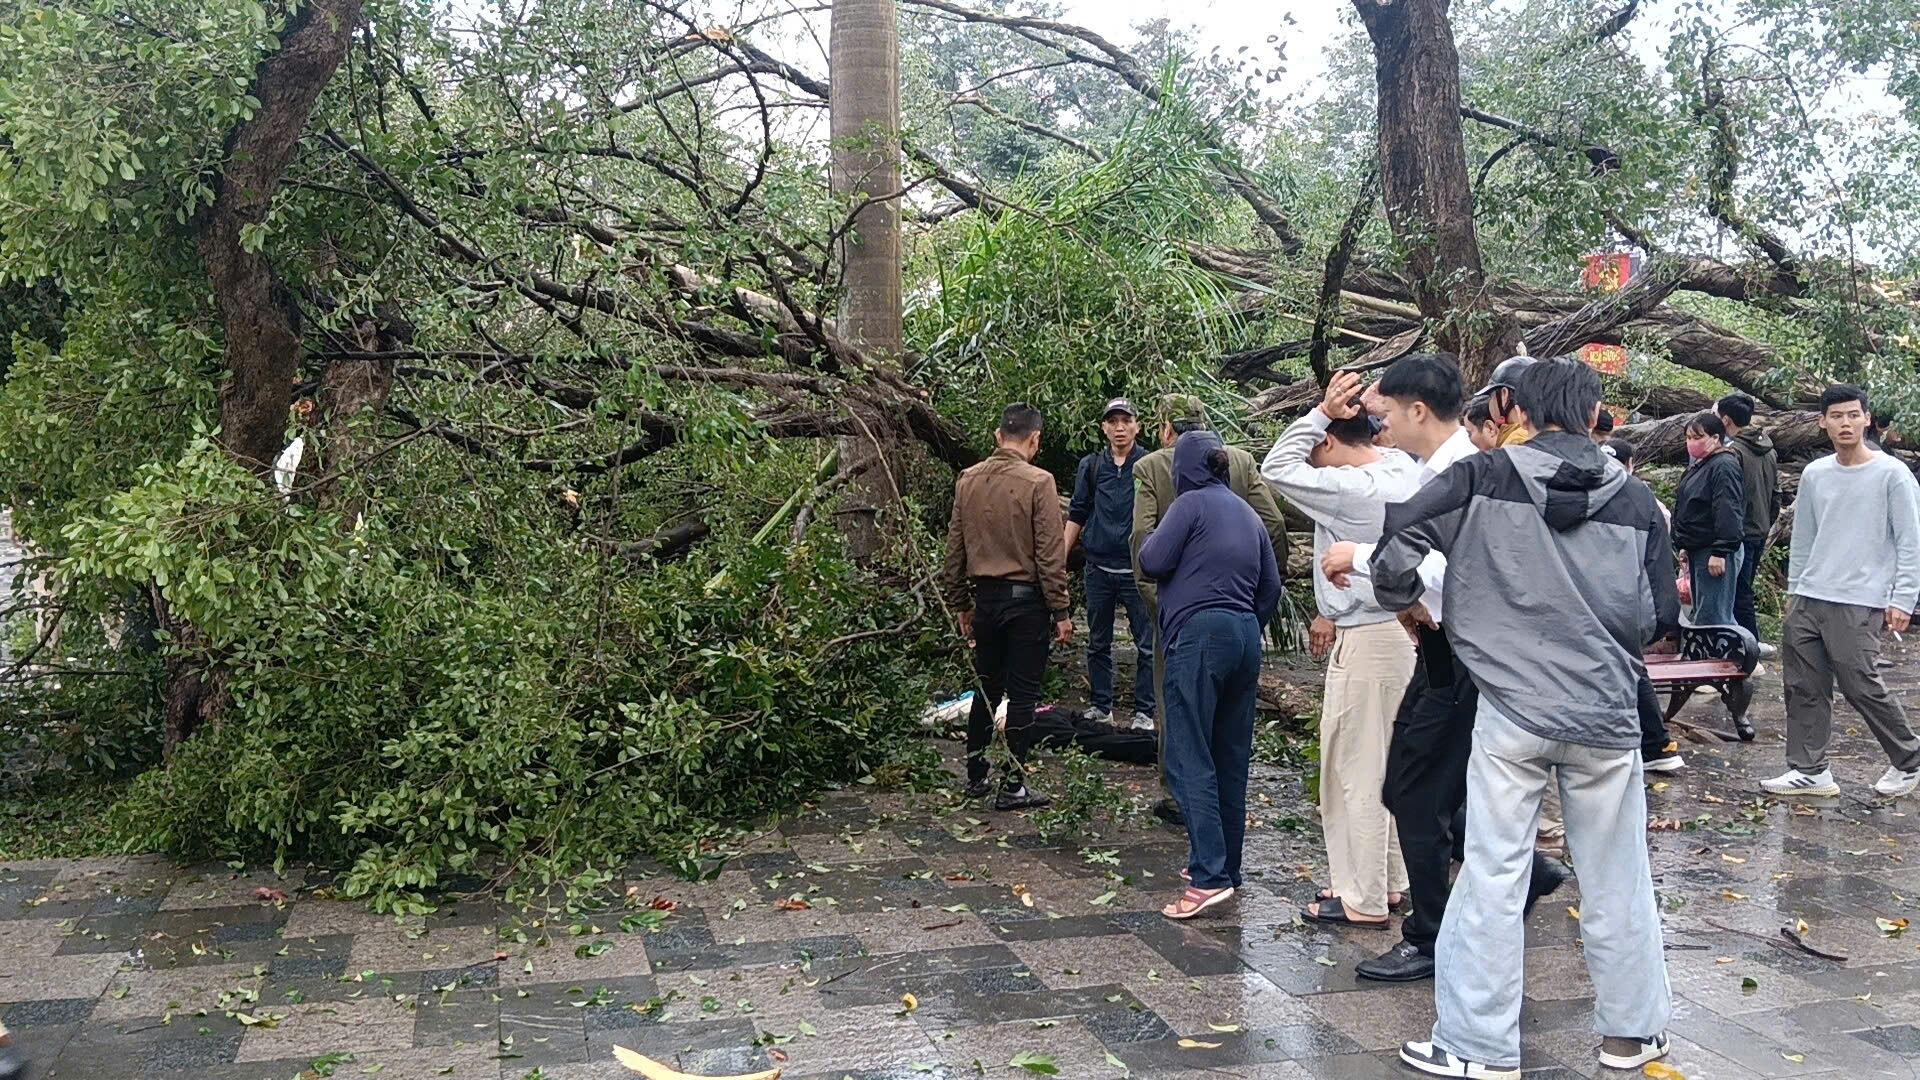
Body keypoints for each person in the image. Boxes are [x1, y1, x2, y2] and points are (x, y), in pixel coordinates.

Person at [1366, 357, 1680, 1079]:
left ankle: (1477, 1046)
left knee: (1493, 874)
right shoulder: (1636, 500)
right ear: (1595, 416)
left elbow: (1395, 551)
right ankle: (1633, 1035)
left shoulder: (1479, 477)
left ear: (1514, 410)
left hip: (1511, 711)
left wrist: (1412, 601)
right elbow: (1657, 615)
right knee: (1619, 877)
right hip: (1605, 715)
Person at [1320, 353, 1566, 983]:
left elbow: (1461, 565)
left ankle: (1430, 936)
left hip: (1467, 655)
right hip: (1441, 650)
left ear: (1419, 411)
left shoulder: (1469, 473)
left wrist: (1363, 558)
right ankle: (1526, 875)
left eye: (1387, 414)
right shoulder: (1438, 469)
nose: (1380, 427)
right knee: (1415, 788)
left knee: (1417, 793)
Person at [1261, 370, 1420, 928]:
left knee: (1354, 769)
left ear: (1328, 442)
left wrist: (1321, 413)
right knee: (1387, 766)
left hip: (1369, 636)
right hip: (1400, 635)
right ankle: (1390, 881)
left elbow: (1276, 466)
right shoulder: (1401, 468)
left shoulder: (1349, 488)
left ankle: (1362, 896)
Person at [1138, 430, 1282, 919]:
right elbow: (1271, 585)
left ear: (1184, 468)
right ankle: (1228, 867)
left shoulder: (1190, 504)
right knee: (1230, 758)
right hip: (1245, 636)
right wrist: (1245, 625)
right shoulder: (1247, 513)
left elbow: (1152, 560)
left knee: (1189, 755)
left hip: (1199, 637)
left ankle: (1208, 877)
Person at [1761, 385, 1920, 799]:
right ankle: (1809, 770)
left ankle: (1909, 759)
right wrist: (1795, 592)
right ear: (1822, 422)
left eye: (1852, 415)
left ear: (1867, 419)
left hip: (1860, 598)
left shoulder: (1892, 474)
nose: (1845, 423)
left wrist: (1903, 599)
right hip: (1810, 595)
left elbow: (1910, 541)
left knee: (1859, 682)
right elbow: (1804, 538)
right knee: (1803, 685)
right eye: (1836, 416)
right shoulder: (1816, 474)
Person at [941, 402, 1068, 812]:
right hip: (1026, 603)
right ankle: (1013, 785)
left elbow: (954, 551)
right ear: (1035, 439)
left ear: (998, 436)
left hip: (985, 600)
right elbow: (1050, 554)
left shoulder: (968, 479)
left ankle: (976, 775)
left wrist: (961, 602)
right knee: (1023, 695)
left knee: (987, 688)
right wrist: (1061, 610)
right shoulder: (1039, 482)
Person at [1065, 399, 1155, 729]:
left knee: (1147, 645)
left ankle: (1144, 713)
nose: (1119, 428)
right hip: (1099, 569)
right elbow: (1078, 511)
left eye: (1126, 421)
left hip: (1137, 570)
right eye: (1113, 421)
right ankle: (1101, 707)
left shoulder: (1148, 464)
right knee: (1098, 642)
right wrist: (1060, 557)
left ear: (1137, 426)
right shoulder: (1091, 466)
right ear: (1103, 428)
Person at [1671, 411, 1747, 628]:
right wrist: (1684, 544)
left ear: (1715, 438)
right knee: (1704, 613)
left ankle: (1733, 649)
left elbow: (1727, 509)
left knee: (1713, 618)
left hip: (1713, 551)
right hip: (1698, 548)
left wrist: (1720, 551)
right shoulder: (1701, 465)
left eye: (1698, 437)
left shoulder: (1723, 465)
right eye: (1688, 438)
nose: (1691, 443)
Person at [1717, 394, 1780, 648]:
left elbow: (1730, 498)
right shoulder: (1769, 450)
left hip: (1740, 532)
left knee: (1737, 592)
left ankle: (1749, 644)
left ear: (1725, 419)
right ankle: (1746, 641)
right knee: (1744, 589)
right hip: (1760, 529)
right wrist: (1766, 522)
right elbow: (1776, 494)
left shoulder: (1734, 452)